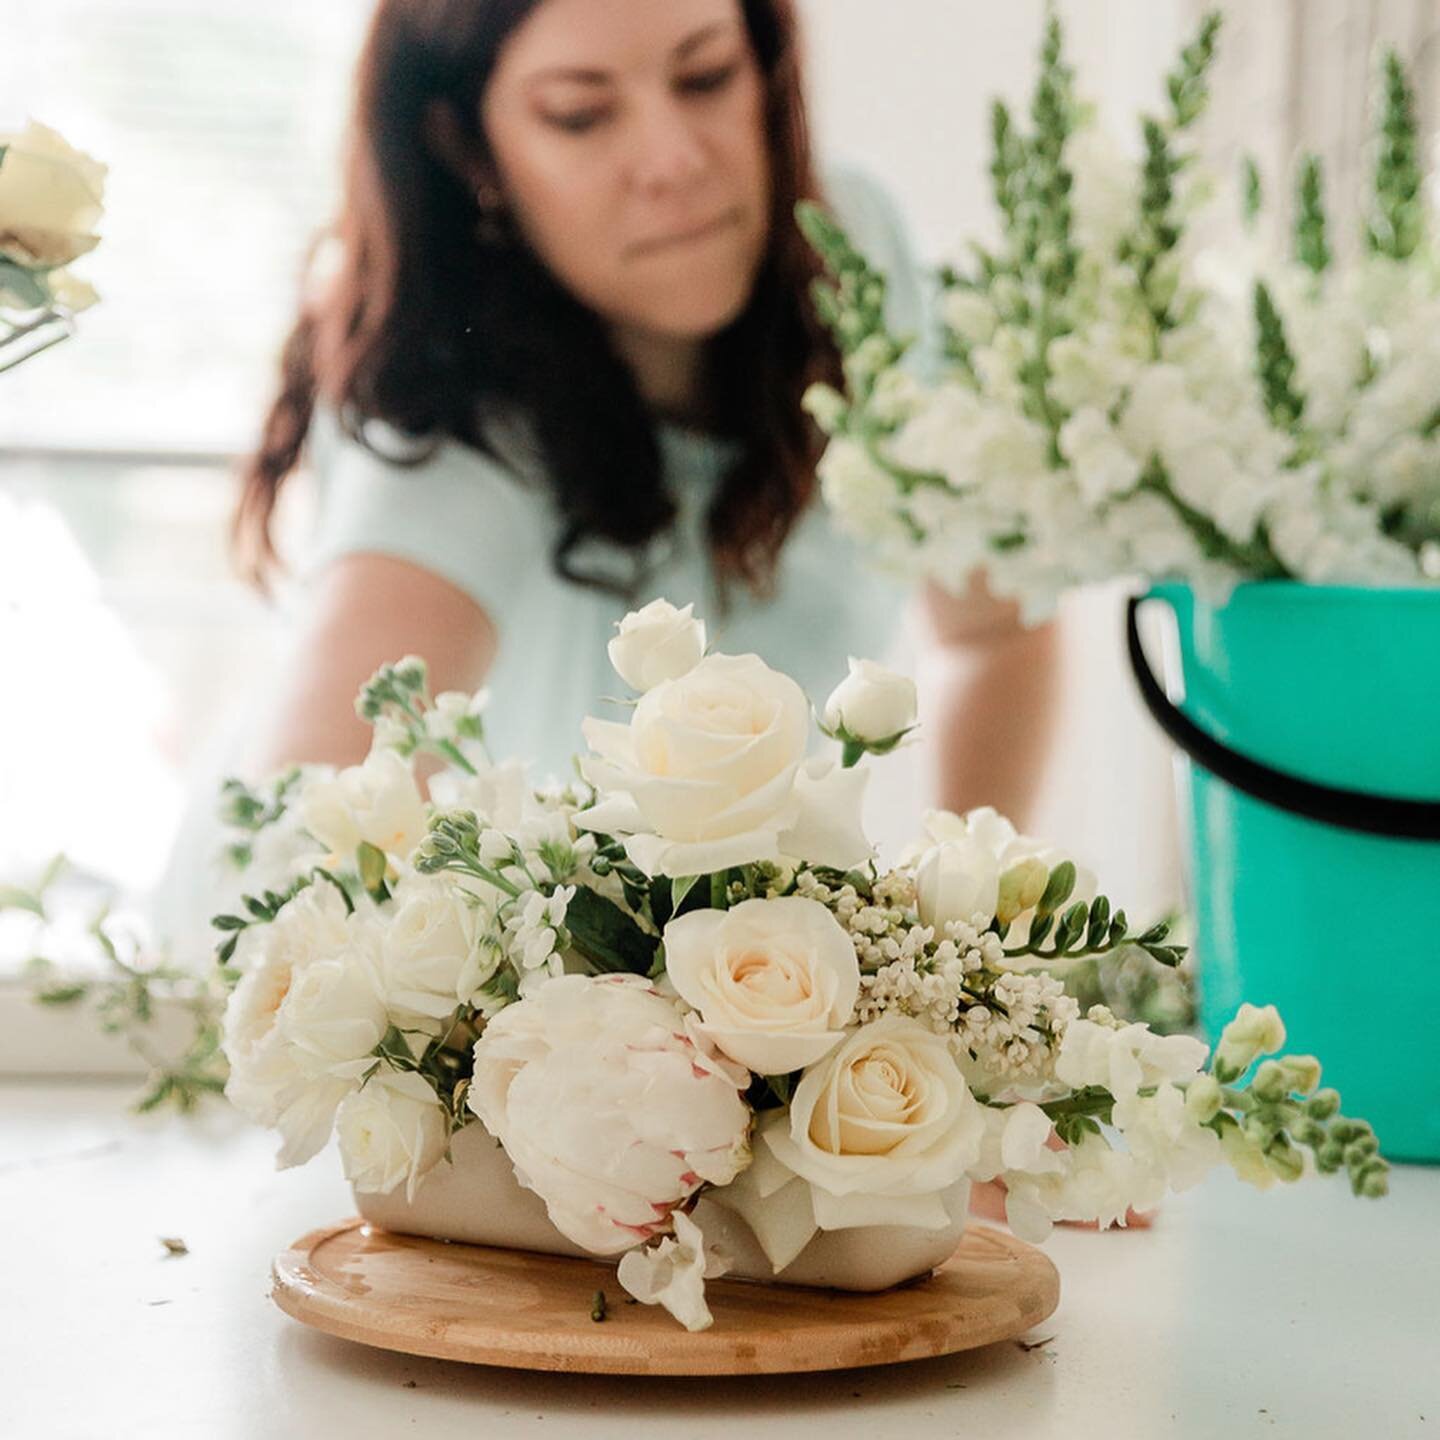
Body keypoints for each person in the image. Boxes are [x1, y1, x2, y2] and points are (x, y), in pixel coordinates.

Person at [231, 0, 1060, 801]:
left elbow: (995, 631)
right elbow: (320, 811)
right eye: (581, 115)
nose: (675, 161)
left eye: (705, 77)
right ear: (468, 149)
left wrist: (960, 915)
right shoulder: (445, 415)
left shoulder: (856, 256)